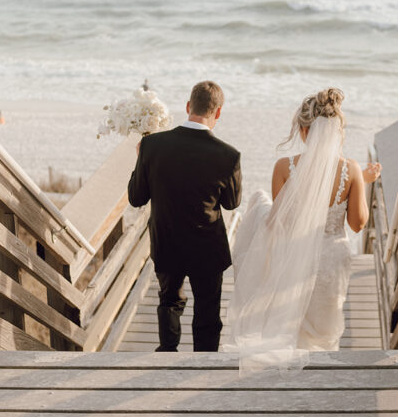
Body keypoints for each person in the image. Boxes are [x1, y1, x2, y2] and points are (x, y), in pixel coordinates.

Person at [224, 88, 380, 369]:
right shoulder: (352, 169)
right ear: (336, 130)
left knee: (291, 324)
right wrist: (361, 184)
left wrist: (259, 205)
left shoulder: (284, 167)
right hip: (331, 259)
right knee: (325, 327)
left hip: (293, 257)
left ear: (302, 129)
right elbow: (358, 224)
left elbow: (276, 224)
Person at [127, 81, 242, 352]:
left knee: (169, 301)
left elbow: (136, 198)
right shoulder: (229, 156)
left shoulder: (152, 145)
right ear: (219, 112)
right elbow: (231, 203)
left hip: (167, 242)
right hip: (208, 247)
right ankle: (204, 366)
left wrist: (139, 161)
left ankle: (168, 355)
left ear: (188, 106)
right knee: (208, 312)